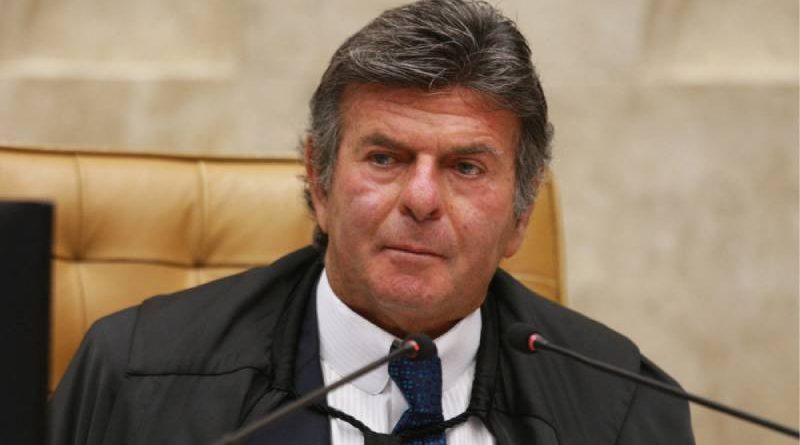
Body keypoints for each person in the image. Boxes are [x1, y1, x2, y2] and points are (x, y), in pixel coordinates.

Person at [49, 1, 695, 444]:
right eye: (385, 158)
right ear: (320, 180)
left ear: (520, 215)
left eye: (466, 167)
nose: (421, 199)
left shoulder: (625, 408)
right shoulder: (135, 376)